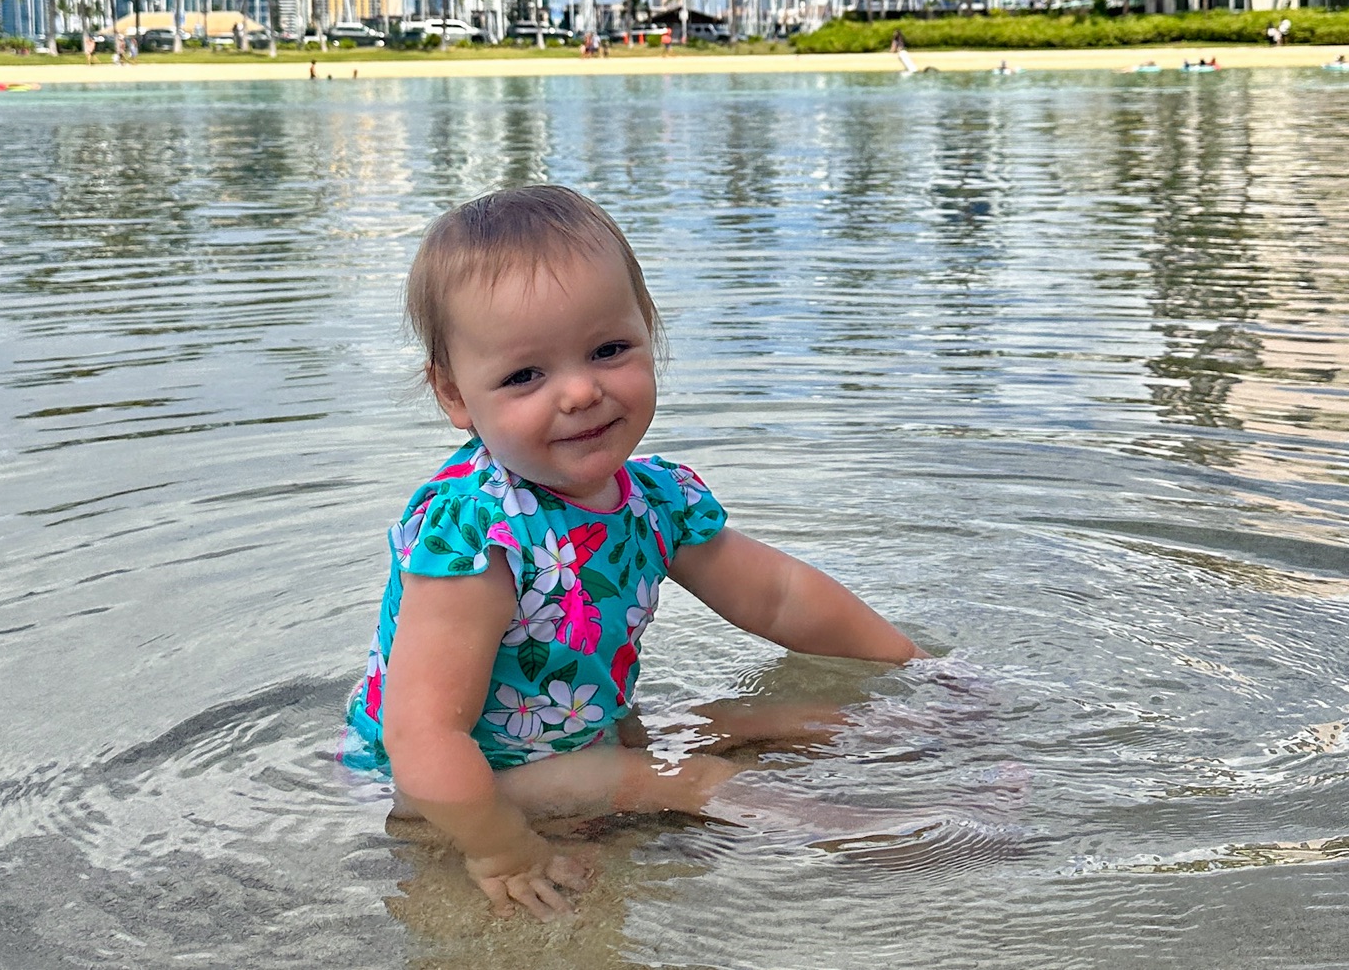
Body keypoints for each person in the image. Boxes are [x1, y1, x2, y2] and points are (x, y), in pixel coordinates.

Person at [343, 186, 926, 921]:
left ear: (649, 335)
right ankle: (890, 833)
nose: (582, 390)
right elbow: (422, 734)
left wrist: (908, 662)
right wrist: (498, 846)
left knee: (769, 715)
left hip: (573, 737)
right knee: (689, 776)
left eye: (608, 350)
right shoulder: (477, 536)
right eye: (526, 374)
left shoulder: (653, 498)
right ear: (456, 395)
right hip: (456, 785)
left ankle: (923, 729)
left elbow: (778, 595)